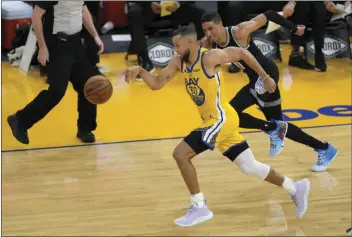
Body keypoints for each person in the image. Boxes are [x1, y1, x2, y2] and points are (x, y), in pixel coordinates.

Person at [122, 25, 310, 227]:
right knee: (249, 167)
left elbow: (242, 53)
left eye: (178, 45)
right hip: (215, 119)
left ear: (191, 43)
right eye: (173, 45)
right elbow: (157, 83)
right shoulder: (178, 61)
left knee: (180, 154)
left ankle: (199, 205)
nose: (175, 49)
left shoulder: (209, 57)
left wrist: (264, 76)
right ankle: (295, 187)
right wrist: (140, 70)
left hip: (221, 119)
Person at [200, 11, 338, 172]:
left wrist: (293, 29)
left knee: (231, 113)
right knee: (281, 126)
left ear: (221, 24)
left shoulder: (239, 31)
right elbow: (194, 50)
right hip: (254, 80)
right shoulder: (210, 42)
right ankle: (324, 148)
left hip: (267, 75)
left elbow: (270, 14)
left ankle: (271, 128)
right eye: (205, 31)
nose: (209, 34)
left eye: (211, 29)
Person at [7, 0, 104, 144]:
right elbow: (36, 16)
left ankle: (85, 128)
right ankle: (20, 119)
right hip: (58, 46)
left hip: (75, 44)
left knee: (88, 85)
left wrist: (95, 36)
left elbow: (83, 10)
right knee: (56, 92)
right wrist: (42, 47)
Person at [127, 1, 205, 73]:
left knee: (200, 13)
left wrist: (178, 3)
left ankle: (198, 54)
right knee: (134, 13)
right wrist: (149, 3)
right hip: (149, 10)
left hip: (174, 9)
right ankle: (145, 60)